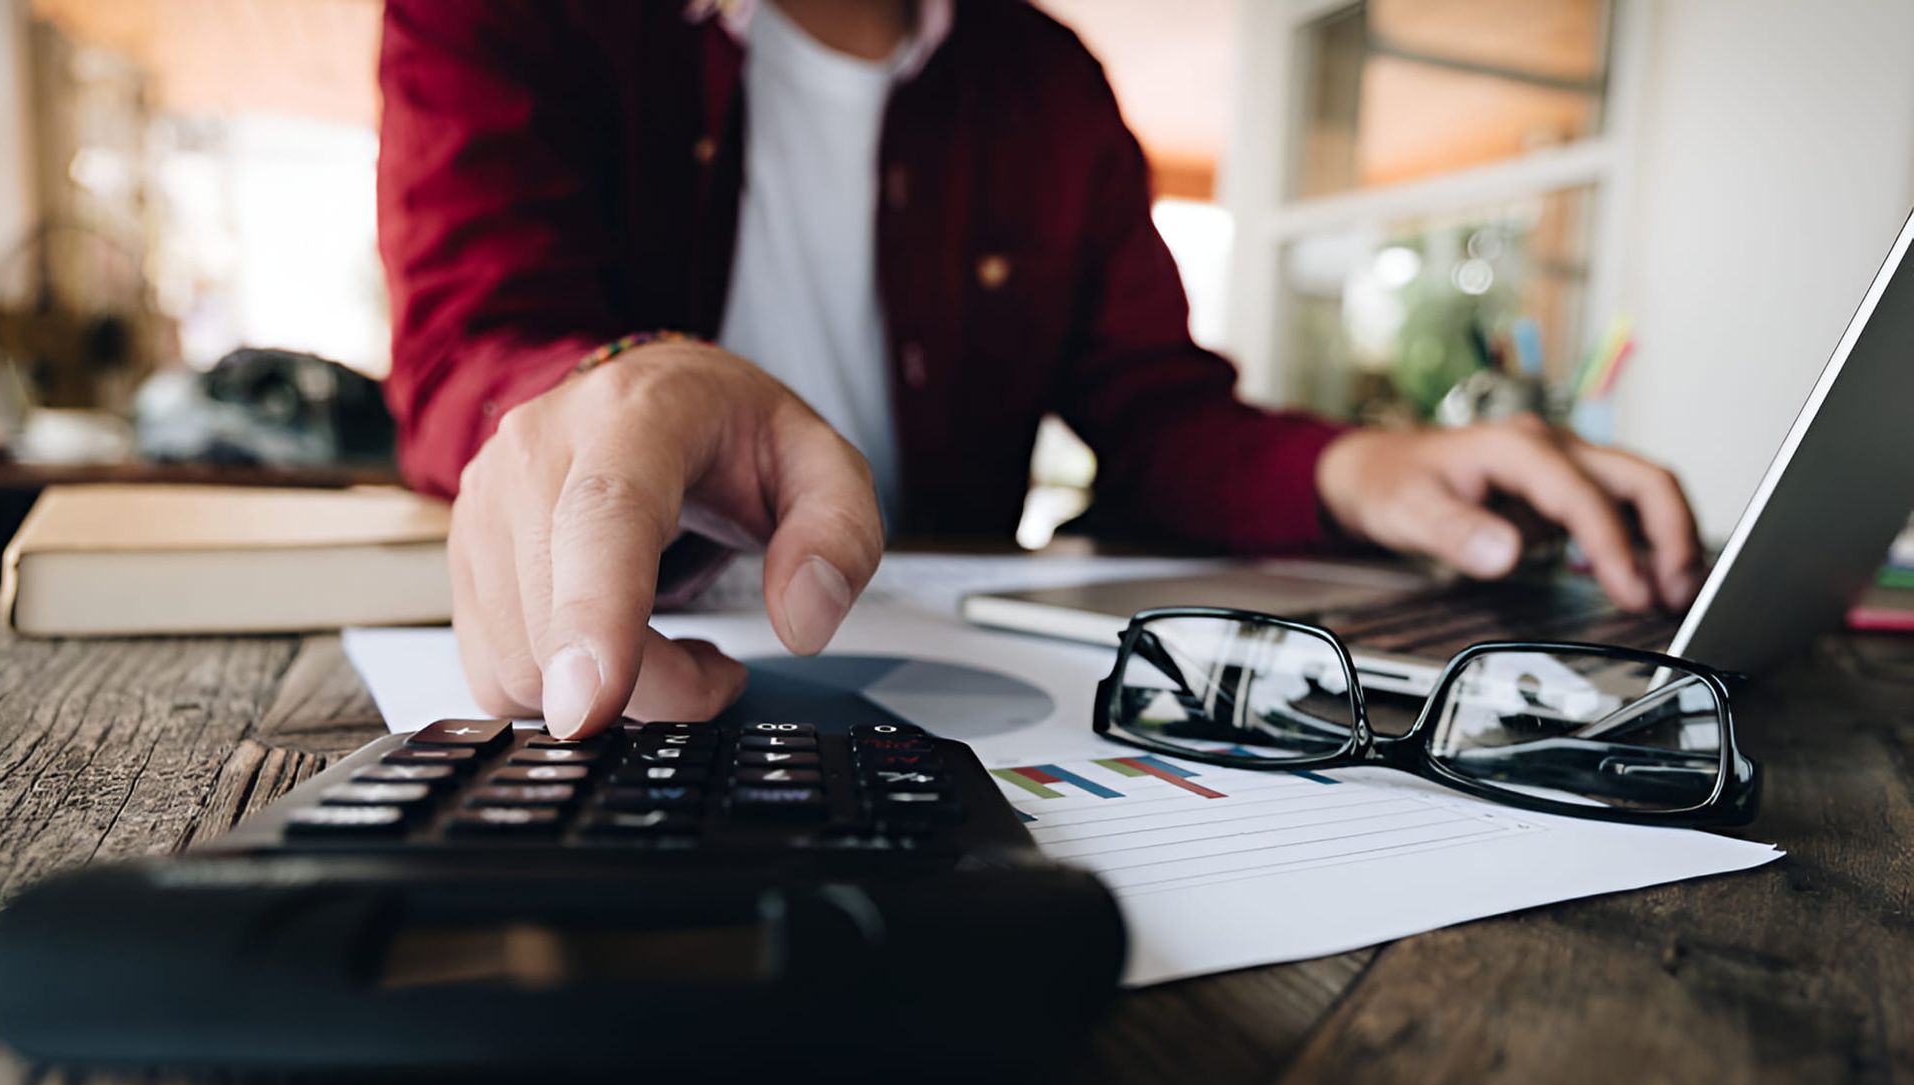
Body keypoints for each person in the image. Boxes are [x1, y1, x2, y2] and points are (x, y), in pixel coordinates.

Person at [377, 0, 1703, 741]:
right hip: (632, 658)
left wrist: (1358, 462)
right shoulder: (504, 16)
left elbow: (1156, 410)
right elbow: (466, 340)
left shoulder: (1050, 84)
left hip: (957, 660)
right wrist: (618, 386)